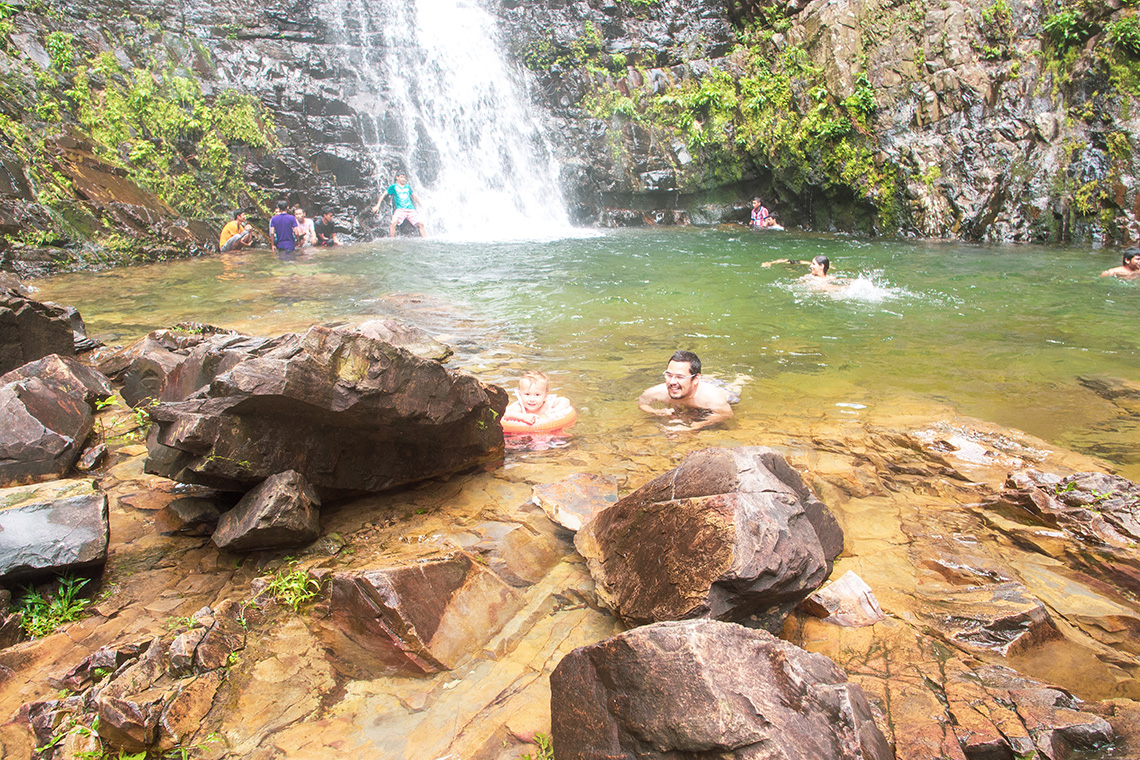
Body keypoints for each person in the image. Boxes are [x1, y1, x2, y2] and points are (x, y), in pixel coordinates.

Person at [638, 350, 734, 430]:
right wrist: (655, 412)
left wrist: (699, 424)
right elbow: (642, 403)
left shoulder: (711, 397)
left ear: (696, 379)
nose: (672, 382)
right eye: (669, 375)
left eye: (680, 377)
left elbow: (727, 414)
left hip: (725, 390)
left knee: (735, 386)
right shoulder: (658, 392)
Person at [503, 370, 573, 428]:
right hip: (525, 435)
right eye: (527, 394)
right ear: (520, 395)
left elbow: (565, 401)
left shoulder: (547, 404)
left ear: (545, 396)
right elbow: (505, 414)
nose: (532, 399)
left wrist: (555, 411)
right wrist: (523, 417)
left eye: (537, 395)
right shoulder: (520, 407)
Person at [372, 171, 426, 237]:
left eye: (404, 178)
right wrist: (377, 205)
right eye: (401, 177)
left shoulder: (408, 187)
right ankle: (392, 241)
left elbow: (413, 196)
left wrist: (421, 205)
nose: (403, 179)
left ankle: (425, 240)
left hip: (411, 209)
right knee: (393, 223)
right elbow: (384, 194)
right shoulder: (394, 187)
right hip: (400, 210)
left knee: (421, 224)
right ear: (397, 178)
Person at [762, 255, 832, 279]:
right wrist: (772, 263)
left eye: (813, 264)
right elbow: (799, 262)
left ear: (822, 266)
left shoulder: (831, 278)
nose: (811, 266)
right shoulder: (808, 277)